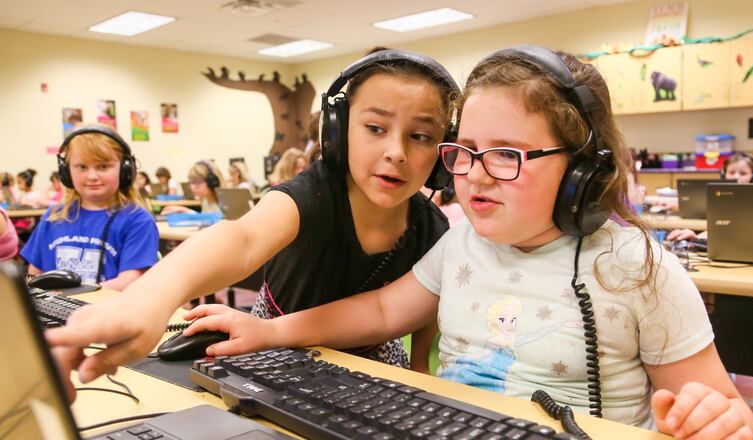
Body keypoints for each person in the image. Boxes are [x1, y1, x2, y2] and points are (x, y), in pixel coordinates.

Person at [177, 46, 753, 437]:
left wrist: (721, 422)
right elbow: (381, 309)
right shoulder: (461, 245)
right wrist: (270, 331)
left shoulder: (637, 268)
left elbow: (720, 407)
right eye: (466, 151)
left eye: (506, 153)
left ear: (582, 171)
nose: (474, 172)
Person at [47, 48, 458, 382]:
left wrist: (421, 369)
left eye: (420, 136)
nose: (397, 151)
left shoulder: (433, 228)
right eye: (375, 128)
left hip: (371, 352)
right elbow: (242, 239)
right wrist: (150, 299)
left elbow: (423, 319)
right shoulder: (314, 193)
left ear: (443, 155)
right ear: (337, 131)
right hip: (271, 337)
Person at [20, 125, 159, 290]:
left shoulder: (138, 220)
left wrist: (73, 296)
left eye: (103, 166)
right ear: (66, 172)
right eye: (82, 167)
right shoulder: (53, 216)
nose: (92, 176)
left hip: (109, 311)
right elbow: (35, 275)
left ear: (125, 170)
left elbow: (131, 281)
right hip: (56, 311)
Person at [667, 152, 753, 241]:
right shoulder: (719, 196)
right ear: (723, 175)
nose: (736, 177)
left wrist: (696, 239)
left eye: (743, 173)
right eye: (732, 173)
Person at [161, 161, 226, 214]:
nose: (192, 187)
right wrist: (184, 210)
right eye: (191, 182)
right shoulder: (206, 200)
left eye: (197, 182)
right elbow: (205, 218)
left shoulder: (224, 204)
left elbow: (214, 222)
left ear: (212, 182)